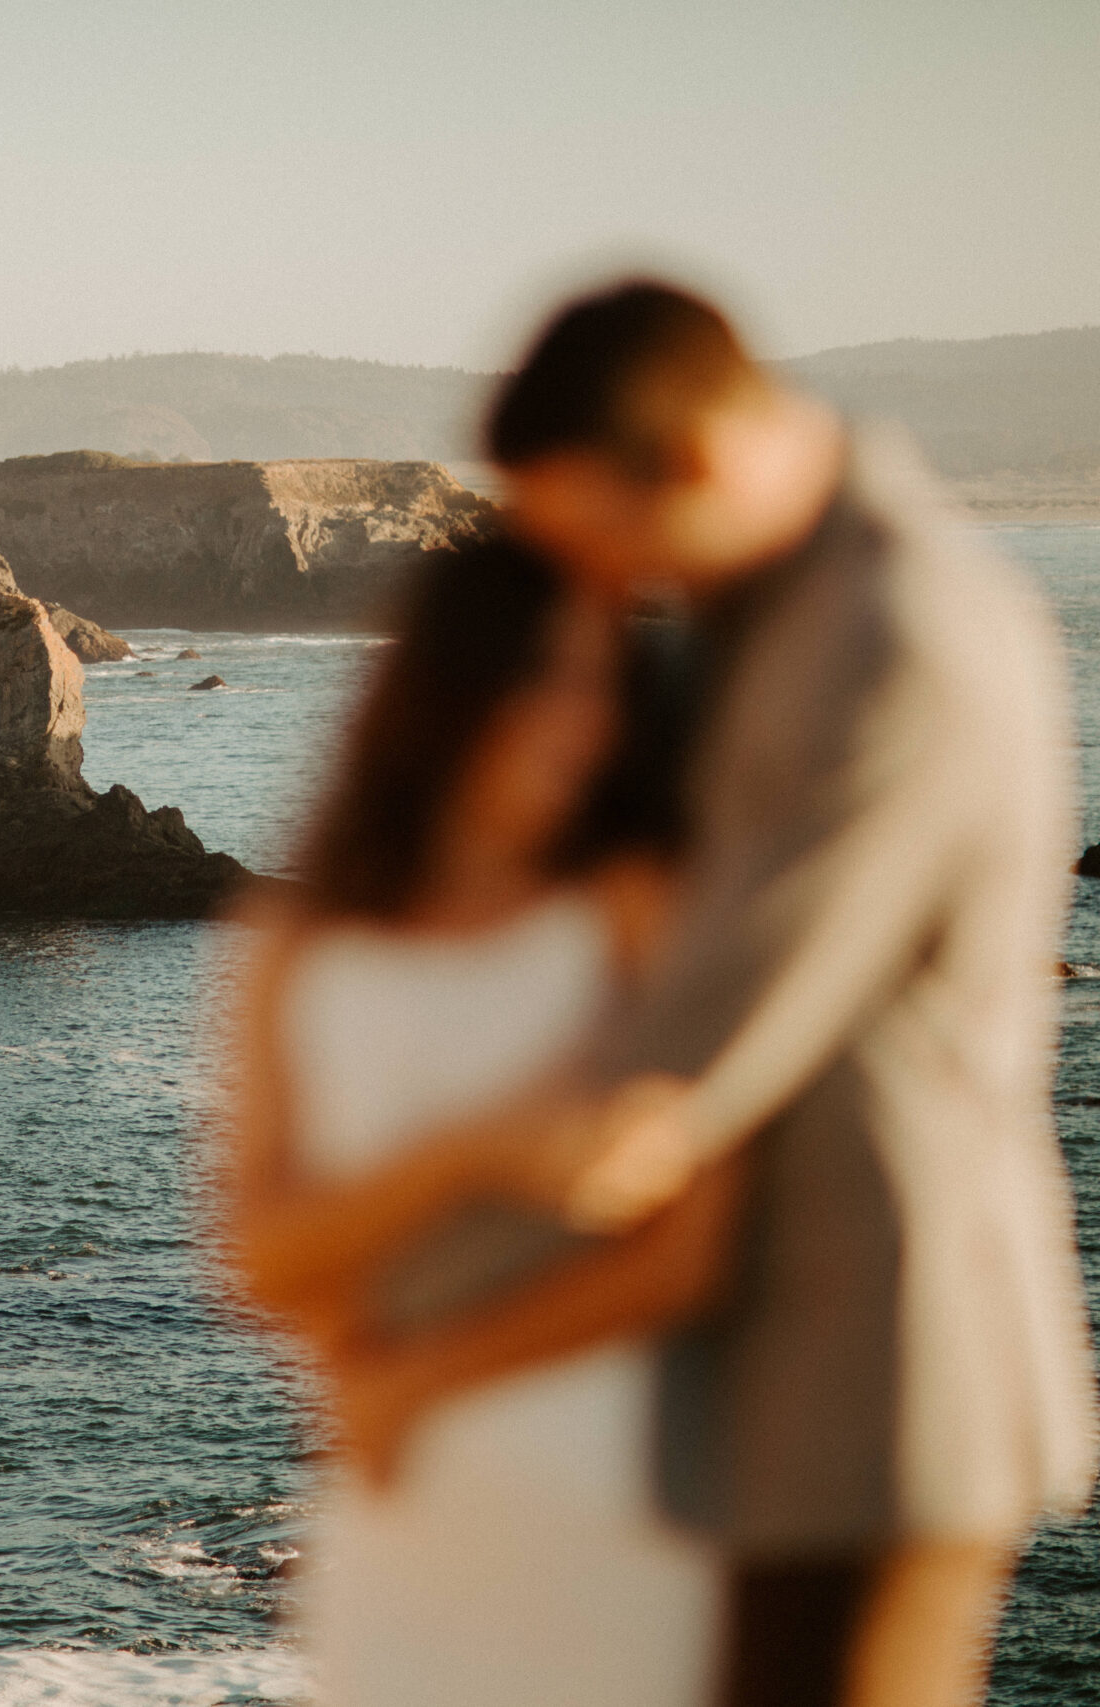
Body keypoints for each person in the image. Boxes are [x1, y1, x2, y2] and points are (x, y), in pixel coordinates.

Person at [236, 281, 1094, 1707]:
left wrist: (399, 1354)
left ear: (687, 461)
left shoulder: (886, 634)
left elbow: (682, 1060)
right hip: (749, 1396)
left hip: (874, 1368)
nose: (613, 593)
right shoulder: (791, 608)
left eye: (603, 537)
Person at [215, 532, 730, 1707]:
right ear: (448, 684)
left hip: (620, 1504)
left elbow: (700, 1247)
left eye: (602, 682)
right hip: (404, 1529)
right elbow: (252, 1256)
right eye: (543, 676)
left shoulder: (635, 918)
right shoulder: (298, 945)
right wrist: (470, 1155)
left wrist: (423, 1376)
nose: (580, 717)